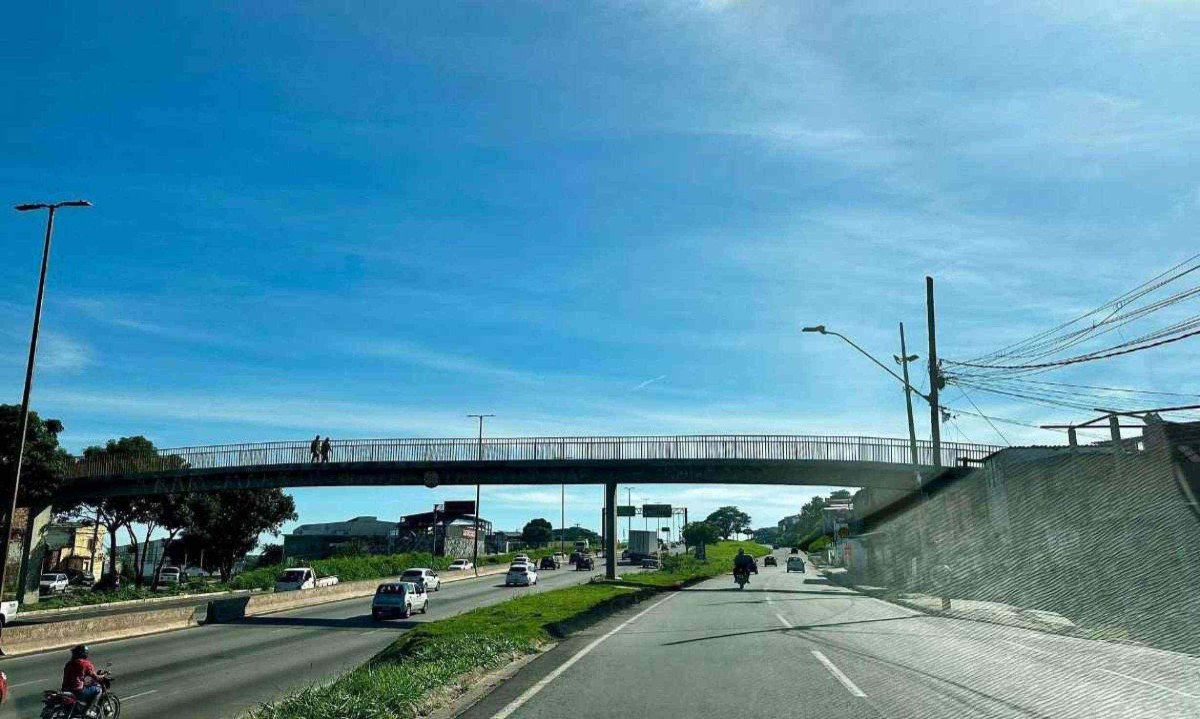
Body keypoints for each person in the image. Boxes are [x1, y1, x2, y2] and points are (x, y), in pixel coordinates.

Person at [61, 644, 102, 715]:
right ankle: (89, 710)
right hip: (77, 691)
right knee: (98, 690)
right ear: (85, 654)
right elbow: (96, 677)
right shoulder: (85, 664)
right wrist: (103, 676)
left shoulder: (69, 664)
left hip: (66, 689)